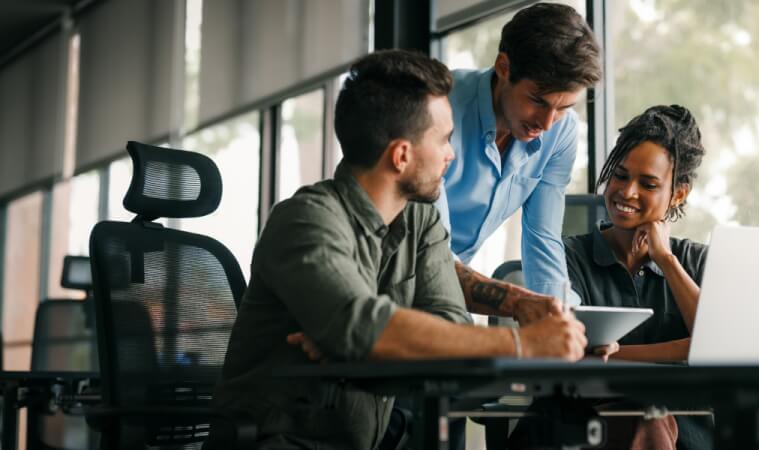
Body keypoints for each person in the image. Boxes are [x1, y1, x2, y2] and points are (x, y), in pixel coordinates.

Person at [212, 49, 594, 450]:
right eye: (444, 140)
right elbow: (365, 327)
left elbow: (453, 330)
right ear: (401, 155)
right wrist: (522, 345)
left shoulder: (421, 221)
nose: (451, 153)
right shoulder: (304, 221)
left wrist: (362, 353)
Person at [436, 2, 603, 316]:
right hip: (389, 273)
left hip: (450, 282)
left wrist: (566, 315)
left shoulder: (561, 131)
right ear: (503, 67)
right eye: (538, 101)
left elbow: (543, 239)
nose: (547, 123)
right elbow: (431, 251)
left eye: (564, 107)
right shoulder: (438, 110)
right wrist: (523, 305)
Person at [564, 104, 713, 449]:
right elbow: (570, 354)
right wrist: (681, 350)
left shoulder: (695, 262)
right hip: (590, 427)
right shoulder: (569, 256)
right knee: (642, 419)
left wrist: (666, 260)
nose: (627, 192)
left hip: (691, 436)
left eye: (648, 184)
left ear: (678, 193)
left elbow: (715, 347)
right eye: (620, 175)